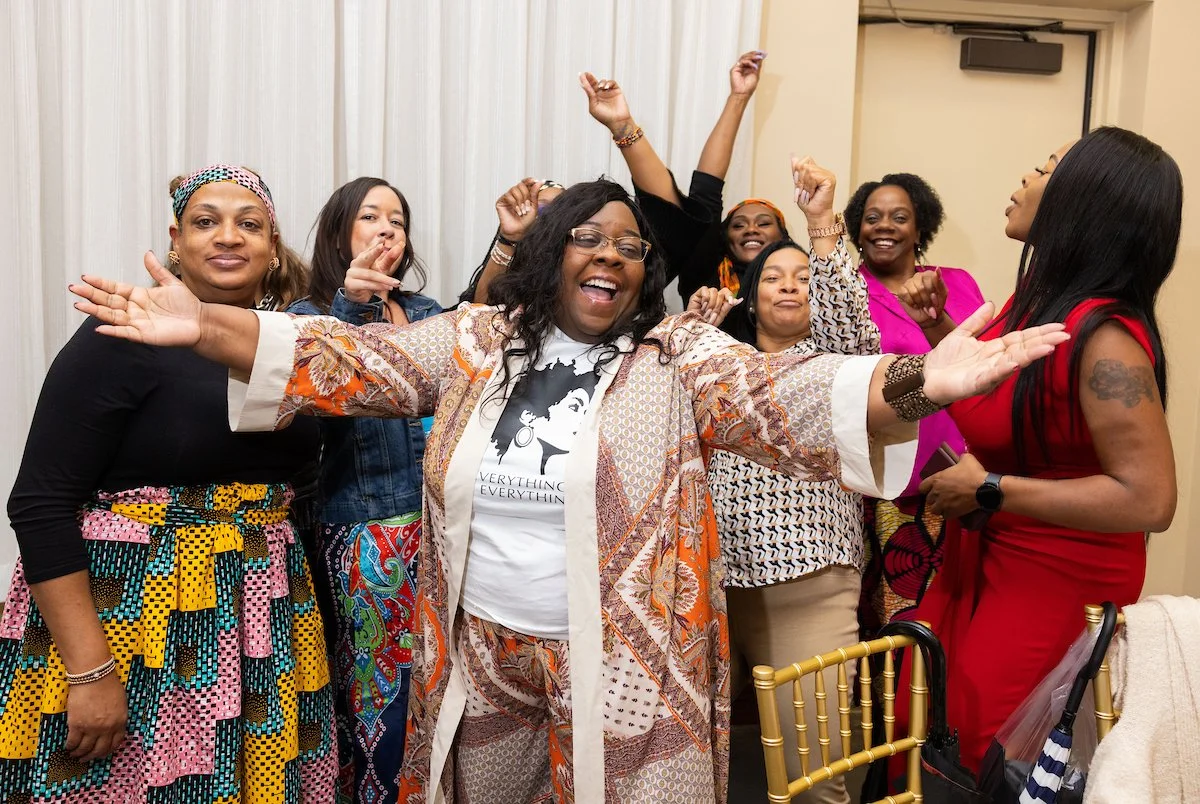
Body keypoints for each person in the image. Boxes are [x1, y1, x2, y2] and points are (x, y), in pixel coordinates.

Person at [68, 167, 1068, 803]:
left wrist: (922, 380)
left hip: (632, 663)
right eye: (590, 237)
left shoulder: (679, 357)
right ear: (550, 254)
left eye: (632, 247)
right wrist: (207, 323)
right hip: (481, 655)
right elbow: (343, 360)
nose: (615, 257)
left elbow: (793, 398)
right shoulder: (472, 341)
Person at [1, 164, 335, 802]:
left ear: (273, 246)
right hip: (132, 620)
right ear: (175, 242)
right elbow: (39, 504)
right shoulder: (121, 337)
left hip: (263, 625)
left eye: (249, 224)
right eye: (206, 223)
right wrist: (90, 671)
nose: (228, 237)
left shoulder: (291, 344)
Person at [915, 126, 1181, 771]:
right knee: (939, 732)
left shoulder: (1107, 336)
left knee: (991, 754)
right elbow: (1021, 406)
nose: (1024, 180)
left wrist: (988, 489)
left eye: (1044, 168)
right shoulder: (1031, 308)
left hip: (1057, 573)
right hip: (990, 550)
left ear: (1080, 202)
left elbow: (1149, 497)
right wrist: (941, 332)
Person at [696, 158, 880, 804]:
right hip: (712, 591)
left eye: (803, 277)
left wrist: (821, 225)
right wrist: (697, 325)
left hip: (808, 585)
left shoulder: (832, 363)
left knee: (813, 782)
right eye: (772, 276)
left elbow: (856, 334)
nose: (790, 286)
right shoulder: (719, 365)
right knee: (688, 768)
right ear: (748, 295)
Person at [288, 177, 443, 803]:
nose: (387, 229)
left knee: (439, 690)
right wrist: (351, 308)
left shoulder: (431, 316)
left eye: (398, 221)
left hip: (442, 532)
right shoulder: (308, 317)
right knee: (379, 698)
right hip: (367, 536)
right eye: (371, 217)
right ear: (340, 233)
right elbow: (312, 403)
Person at [841, 172, 986, 634]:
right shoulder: (844, 291)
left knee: (959, 611)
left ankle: (942, 706)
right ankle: (896, 708)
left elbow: (986, 367)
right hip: (883, 485)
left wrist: (936, 318)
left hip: (962, 473)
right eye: (872, 217)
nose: (885, 226)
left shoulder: (957, 283)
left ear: (920, 229)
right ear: (856, 229)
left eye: (900, 217)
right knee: (890, 620)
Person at [581, 53, 791, 308]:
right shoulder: (705, 271)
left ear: (783, 237)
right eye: (738, 225)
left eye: (764, 222)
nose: (751, 229)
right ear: (725, 239)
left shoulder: (803, 283)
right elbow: (706, 189)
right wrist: (738, 97)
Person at [459, 178, 566, 304]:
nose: (550, 218)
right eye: (542, 209)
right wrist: (509, 238)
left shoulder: (571, 259)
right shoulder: (512, 256)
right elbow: (481, 312)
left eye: (560, 212)